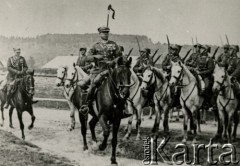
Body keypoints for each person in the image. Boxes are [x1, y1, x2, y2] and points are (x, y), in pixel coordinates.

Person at [78, 26, 131, 117]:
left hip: (112, 70)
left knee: (124, 85)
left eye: (107, 33)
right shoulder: (95, 45)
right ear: (100, 34)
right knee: (93, 84)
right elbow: (87, 57)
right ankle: (86, 105)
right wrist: (96, 57)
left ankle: (125, 106)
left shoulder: (114, 44)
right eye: (103, 33)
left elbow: (120, 56)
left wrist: (113, 61)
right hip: (98, 70)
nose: (105, 34)